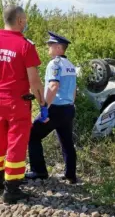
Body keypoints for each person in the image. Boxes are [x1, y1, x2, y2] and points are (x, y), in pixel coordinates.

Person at [0, 5, 48, 204]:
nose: (26, 23)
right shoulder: (25, 45)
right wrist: (43, 104)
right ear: (20, 21)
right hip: (16, 103)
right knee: (16, 143)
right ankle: (11, 189)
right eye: (25, 20)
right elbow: (34, 81)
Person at [25, 31, 77, 184]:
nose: (48, 47)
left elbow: (53, 86)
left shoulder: (55, 64)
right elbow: (73, 89)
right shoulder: (70, 65)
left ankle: (39, 171)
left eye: (51, 45)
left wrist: (44, 108)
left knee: (32, 135)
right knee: (67, 141)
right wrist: (71, 105)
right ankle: (70, 175)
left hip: (55, 109)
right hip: (68, 108)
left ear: (59, 47)